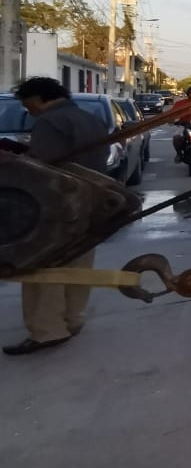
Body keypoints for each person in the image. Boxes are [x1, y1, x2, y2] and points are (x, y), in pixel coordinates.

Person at [5, 77, 110, 356]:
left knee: (41, 268)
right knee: (79, 263)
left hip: (56, 206)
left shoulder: (50, 122)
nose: (28, 110)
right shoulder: (89, 119)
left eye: (27, 104)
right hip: (91, 199)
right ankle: (73, 319)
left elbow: (40, 169)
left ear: (38, 98)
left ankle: (46, 330)